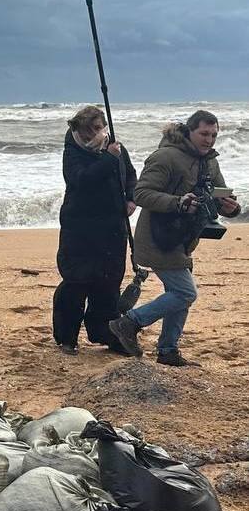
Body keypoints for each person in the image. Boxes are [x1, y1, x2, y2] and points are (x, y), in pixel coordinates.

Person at [109, 110, 240, 366]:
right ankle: (129, 322)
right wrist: (177, 203)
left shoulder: (210, 161)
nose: (209, 140)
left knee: (178, 294)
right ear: (189, 131)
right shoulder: (166, 156)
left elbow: (219, 195)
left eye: (214, 134)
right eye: (204, 134)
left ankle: (168, 350)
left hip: (183, 239)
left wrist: (231, 208)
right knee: (184, 292)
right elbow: (142, 194)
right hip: (157, 237)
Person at [53, 105, 137, 356]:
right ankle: (67, 337)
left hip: (112, 226)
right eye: (89, 130)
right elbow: (81, 180)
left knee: (109, 282)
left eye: (99, 128)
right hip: (80, 227)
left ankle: (104, 332)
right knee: (77, 282)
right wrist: (108, 158)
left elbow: (130, 175)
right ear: (78, 130)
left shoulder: (116, 149)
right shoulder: (73, 152)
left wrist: (131, 199)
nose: (95, 135)